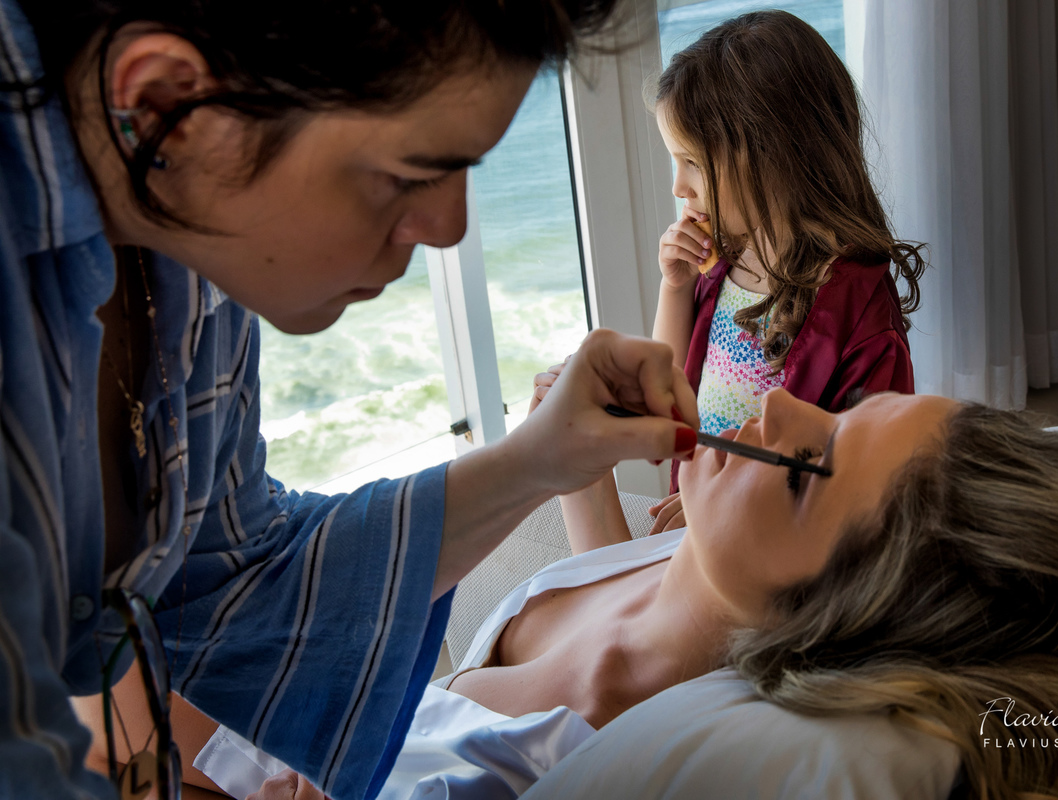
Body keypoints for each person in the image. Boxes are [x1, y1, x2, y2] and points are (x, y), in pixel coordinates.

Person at [0, 1, 703, 799]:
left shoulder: (191, 252)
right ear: (165, 103)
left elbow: (230, 566)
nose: (450, 228)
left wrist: (537, 460)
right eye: (408, 175)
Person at [198, 389, 1058, 799]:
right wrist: (554, 470)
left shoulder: (557, 752)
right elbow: (616, 599)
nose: (777, 400)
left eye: (808, 465)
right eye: (843, 410)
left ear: (824, 614)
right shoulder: (678, 566)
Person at [648, 10, 927, 525]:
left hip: (775, 552)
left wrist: (722, 506)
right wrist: (674, 287)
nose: (678, 187)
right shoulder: (719, 262)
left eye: (690, 161)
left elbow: (864, 477)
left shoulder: (858, 311)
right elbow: (665, 397)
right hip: (701, 526)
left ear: (770, 155)